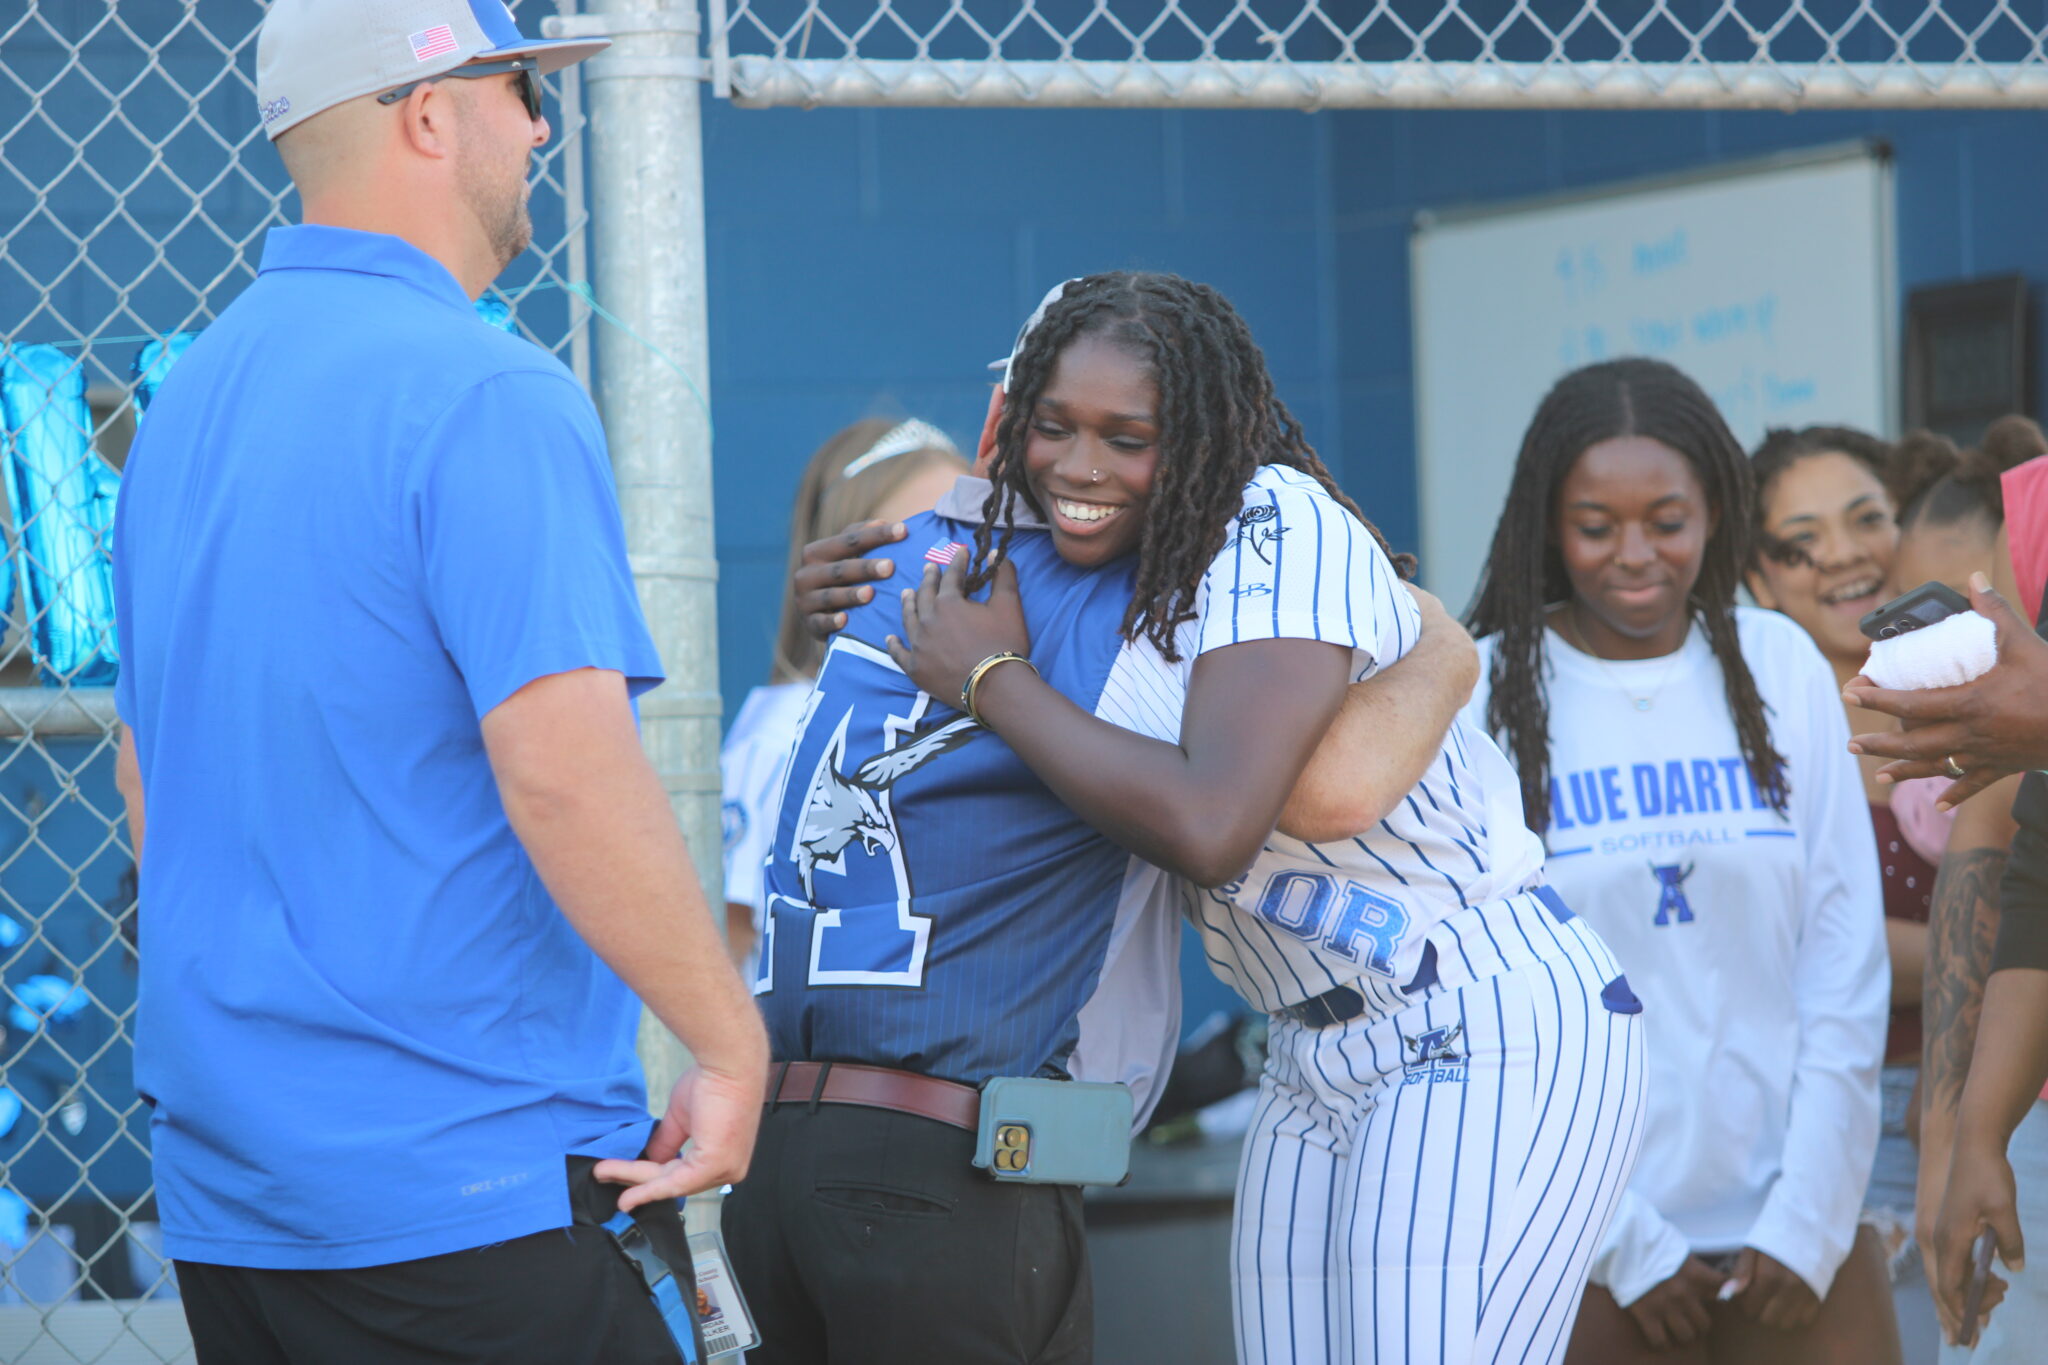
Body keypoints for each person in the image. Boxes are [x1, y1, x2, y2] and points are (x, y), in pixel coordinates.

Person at [108, 3, 766, 1360]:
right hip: (466, 1189)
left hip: (238, 1201)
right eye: (518, 89)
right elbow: (564, 767)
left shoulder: (190, 398)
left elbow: (141, 767)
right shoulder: (487, 390)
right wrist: (726, 1042)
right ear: (427, 114)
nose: (537, 125)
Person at [862, 272, 1643, 1365]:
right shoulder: (1064, 567)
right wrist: (862, 577)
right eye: (1051, 424)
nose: (1079, 466)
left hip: (1469, 1008)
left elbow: (1237, 813)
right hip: (1303, 1045)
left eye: (1127, 436)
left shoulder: (1266, 517)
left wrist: (990, 674)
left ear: (1198, 441)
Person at [1458, 359, 1892, 1365]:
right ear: (1544, 524)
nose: (1633, 556)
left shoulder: (1777, 663)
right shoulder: (1480, 697)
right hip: (1580, 1240)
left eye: (1666, 520)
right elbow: (1485, 1009)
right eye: (1593, 526)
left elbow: (1840, 963)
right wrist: (1621, 1239)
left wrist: (1808, 1217)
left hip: (1791, 1224)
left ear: (1714, 513)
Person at [1745, 421, 1964, 1360]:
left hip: (2003, 1104)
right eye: (1800, 540)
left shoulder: (1985, 694)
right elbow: (1798, 947)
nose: (1842, 555)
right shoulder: (1746, 731)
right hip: (1833, 1126)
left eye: (1865, 517)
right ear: (1757, 579)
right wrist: (2008, 938)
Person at [721, 418, 966, 967]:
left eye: (964, 527)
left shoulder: (978, 704)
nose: (950, 559)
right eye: (922, 535)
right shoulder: (781, 734)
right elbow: (730, 947)